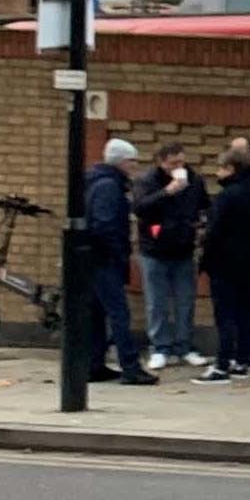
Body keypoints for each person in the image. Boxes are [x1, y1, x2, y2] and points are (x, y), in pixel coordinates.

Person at [197, 135, 250, 382]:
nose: (217, 172)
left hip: (224, 262)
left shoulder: (226, 197)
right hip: (248, 259)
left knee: (225, 314)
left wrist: (205, 257)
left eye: (220, 167)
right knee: (244, 310)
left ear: (230, 169)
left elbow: (214, 232)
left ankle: (222, 364)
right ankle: (242, 360)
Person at [133, 140, 207, 374]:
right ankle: (160, 348)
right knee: (157, 302)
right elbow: (140, 207)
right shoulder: (147, 182)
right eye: (174, 162)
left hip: (183, 248)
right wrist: (167, 192)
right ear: (161, 162)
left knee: (185, 301)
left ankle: (184, 346)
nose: (179, 166)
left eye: (182, 162)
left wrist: (200, 223)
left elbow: (204, 205)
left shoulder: (194, 181)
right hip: (154, 249)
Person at [82, 137, 140, 384]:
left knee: (96, 313)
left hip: (94, 260)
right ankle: (131, 367)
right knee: (119, 314)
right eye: (132, 161)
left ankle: (94, 365)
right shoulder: (109, 186)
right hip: (104, 260)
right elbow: (103, 225)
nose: (134, 166)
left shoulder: (96, 181)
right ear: (121, 161)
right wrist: (117, 251)